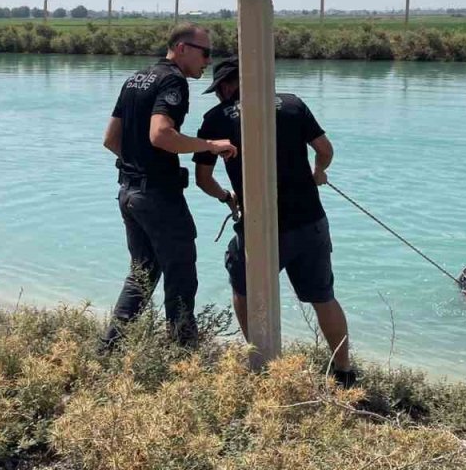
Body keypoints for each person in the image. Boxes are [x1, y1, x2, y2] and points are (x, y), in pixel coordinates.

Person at [192, 58, 355, 386]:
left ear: (226, 86)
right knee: (323, 296)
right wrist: (318, 172)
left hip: (261, 228)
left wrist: (227, 197)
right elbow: (324, 149)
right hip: (310, 220)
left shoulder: (215, 119)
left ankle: (261, 364)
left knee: (243, 285)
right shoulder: (293, 103)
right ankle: (344, 371)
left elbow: (202, 179)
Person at [101, 24, 237, 350]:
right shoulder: (173, 80)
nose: (208, 60)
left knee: (142, 273)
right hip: (158, 196)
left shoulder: (135, 78)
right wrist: (209, 145)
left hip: (129, 192)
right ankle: (181, 355)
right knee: (181, 276)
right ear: (181, 48)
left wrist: (139, 165)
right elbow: (160, 134)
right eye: (205, 53)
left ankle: (109, 348)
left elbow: (110, 140)